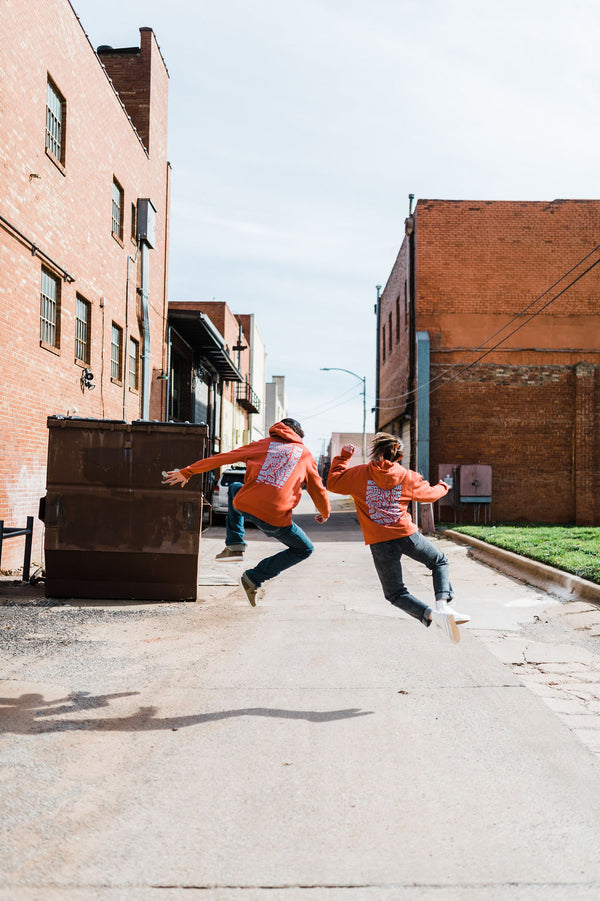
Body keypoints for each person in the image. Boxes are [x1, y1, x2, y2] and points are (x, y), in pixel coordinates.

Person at [164, 419, 330, 606]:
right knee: (304, 549)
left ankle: (235, 544)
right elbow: (318, 489)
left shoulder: (262, 445)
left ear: (277, 431)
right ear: (299, 435)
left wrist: (188, 472)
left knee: (235, 488)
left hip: (245, 505)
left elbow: (223, 458)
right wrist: (324, 512)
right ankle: (253, 577)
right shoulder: (306, 455)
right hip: (276, 518)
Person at [326, 433, 469, 643]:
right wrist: (444, 487)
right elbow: (429, 494)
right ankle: (443, 605)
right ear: (399, 457)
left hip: (379, 541)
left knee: (395, 593)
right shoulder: (406, 475)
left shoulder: (359, 474)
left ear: (376, 452)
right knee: (438, 561)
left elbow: (333, 483)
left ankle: (433, 615)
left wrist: (344, 458)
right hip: (406, 534)